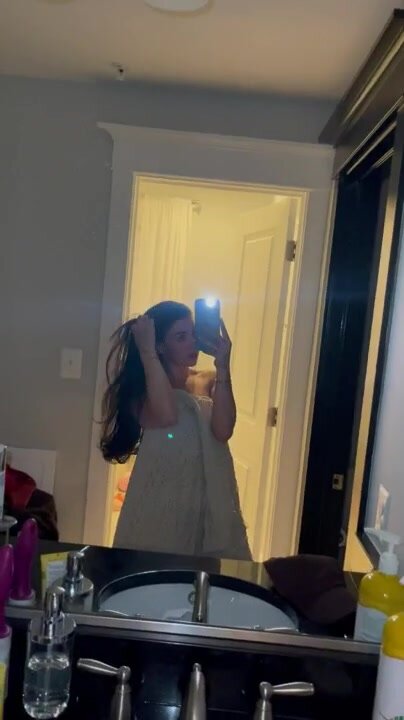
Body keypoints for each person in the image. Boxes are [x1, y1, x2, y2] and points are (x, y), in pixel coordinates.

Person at [100, 300, 251, 561]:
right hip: (162, 503)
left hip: (209, 500)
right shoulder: (142, 392)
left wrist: (223, 366)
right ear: (160, 345)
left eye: (193, 333)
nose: (192, 343)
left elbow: (223, 430)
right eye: (181, 337)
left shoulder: (208, 379)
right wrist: (147, 352)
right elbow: (167, 415)